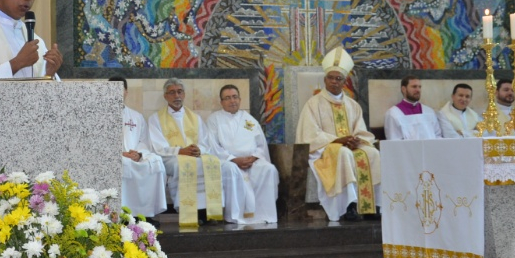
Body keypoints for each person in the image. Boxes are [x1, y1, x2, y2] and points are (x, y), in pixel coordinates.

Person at [146, 78, 250, 226]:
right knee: (180, 166)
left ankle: (210, 212)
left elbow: (205, 141)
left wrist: (198, 149)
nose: (177, 96)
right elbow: (157, 146)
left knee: (219, 166)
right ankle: (191, 212)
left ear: (184, 94)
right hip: (171, 158)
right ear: (165, 96)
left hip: (196, 156)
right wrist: (181, 151)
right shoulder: (155, 119)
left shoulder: (195, 118)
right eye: (172, 92)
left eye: (180, 92)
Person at [296, 47, 381, 222]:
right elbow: (310, 134)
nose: (334, 82)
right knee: (342, 153)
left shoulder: (352, 105)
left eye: (338, 78)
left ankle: (372, 206)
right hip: (325, 150)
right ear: (325, 79)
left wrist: (355, 140)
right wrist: (337, 140)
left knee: (372, 153)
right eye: (330, 78)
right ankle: (349, 206)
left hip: (350, 147)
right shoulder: (313, 104)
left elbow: (361, 130)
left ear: (344, 81)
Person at [206, 85, 279, 224]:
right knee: (231, 169)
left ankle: (264, 215)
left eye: (234, 97)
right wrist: (234, 160)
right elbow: (213, 146)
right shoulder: (214, 119)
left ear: (240, 99)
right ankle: (235, 216)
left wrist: (254, 157)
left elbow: (260, 144)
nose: (232, 101)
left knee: (269, 169)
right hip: (228, 161)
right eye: (227, 98)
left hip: (251, 161)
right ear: (221, 102)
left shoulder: (249, 120)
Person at [110, 77, 167, 219]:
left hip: (134, 156)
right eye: (113, 89)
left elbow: (144, 141)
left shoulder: (136, 117)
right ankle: (123, 215)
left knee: (156, 162)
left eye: (120, 89)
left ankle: (147, 214)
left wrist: (139, 154)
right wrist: (120, 153)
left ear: (126, 92)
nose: (117, 93)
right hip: (115, 158)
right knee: (124, 163)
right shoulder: (100, 115)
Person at [383, 76, 443, 140]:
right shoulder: (393, 113)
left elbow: (437, 136)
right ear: (404, 89)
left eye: (419, 87)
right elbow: (393, 140)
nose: (418, 90)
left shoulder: (429, 111)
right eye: (414, 87)